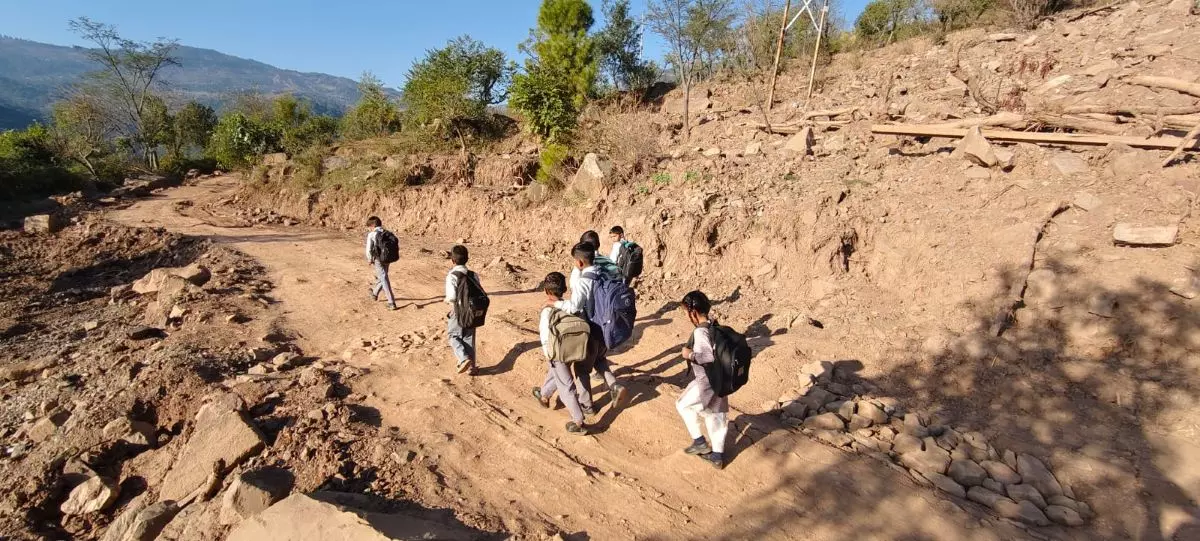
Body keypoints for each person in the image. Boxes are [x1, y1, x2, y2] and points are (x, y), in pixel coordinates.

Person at [554, 242, 628, 408]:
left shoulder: (583, 281)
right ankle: (615, 385)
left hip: (590, 330)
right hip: (606, 328)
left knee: (582, 370)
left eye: (575, 261)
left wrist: (555, 304)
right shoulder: (603, 273)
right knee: (599, 359)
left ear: (579, 262)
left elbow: (574, 306)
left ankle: (587, 406)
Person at [532, 272, 596, 434]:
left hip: (556, 352)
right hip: (573, 349)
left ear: (546, 291)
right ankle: (544, 394)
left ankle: (578, 420)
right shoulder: (569, 306)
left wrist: (549, 355)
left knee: (566, 385)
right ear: (564, 289)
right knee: (557, 373)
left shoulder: (547, 311)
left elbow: (545, 336)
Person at [677, 290, 729, 470]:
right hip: (721, 379)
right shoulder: (715, 326)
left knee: (682, 405)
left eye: (686, 312)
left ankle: (699, 441)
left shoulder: (701, 332)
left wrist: (689, 354)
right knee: (715, 414)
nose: (686, 315)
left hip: (706, 381)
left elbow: (707, 357)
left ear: (693, 312)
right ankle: (717, 455)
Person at [444, 245, 482, 374]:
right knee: (468, 337)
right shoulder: (473, 275)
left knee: (453, 335)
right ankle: (472, 368)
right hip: (473, 310)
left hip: (458, 310)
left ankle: (463, 358)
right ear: (467, 259)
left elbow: (451, 297)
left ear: (452, 260)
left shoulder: (452, 275)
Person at [364, 216, 397, 310]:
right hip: (388, 258)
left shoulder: (372, 234)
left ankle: (391, 302)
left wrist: (370, 259)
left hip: (378, 259)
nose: (370, 229)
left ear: (373, 225)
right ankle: (374, 294)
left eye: (370, 227)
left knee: (384, 278)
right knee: (383, 276)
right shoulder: (387, 233)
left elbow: (368, 250)